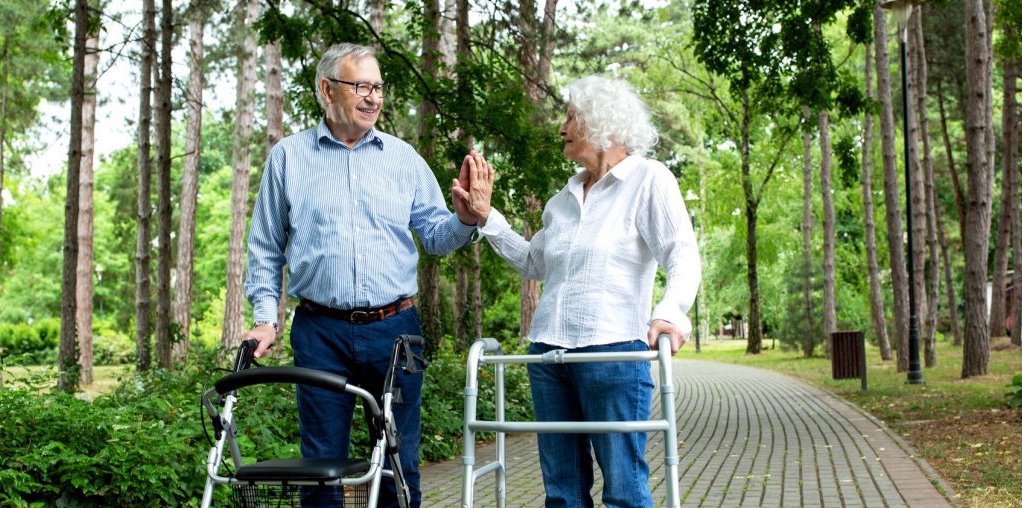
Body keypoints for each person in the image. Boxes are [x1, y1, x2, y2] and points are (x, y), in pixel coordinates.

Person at [242, 42, 493, 507]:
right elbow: (264, 247)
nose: (373, 98)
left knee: (399, 458)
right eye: (361, 86)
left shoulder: (403, 159)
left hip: (397, 330)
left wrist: (466, 220)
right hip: (320, 331)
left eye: (378, 88)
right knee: (320, 463)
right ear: (327, 89)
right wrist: (265, 318)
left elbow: (436, 237)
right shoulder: (288, 158)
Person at [457, 76, 699, 507]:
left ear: (600, 122)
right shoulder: (562, 198)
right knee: (563, 494)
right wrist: (485, 215)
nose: (562, 129)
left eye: (570, 117)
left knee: (624, 491)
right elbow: (534, 262)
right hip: (548, 355)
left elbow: (681, 255)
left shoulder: (648, 179)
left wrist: (671, 313)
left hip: (613, 355)